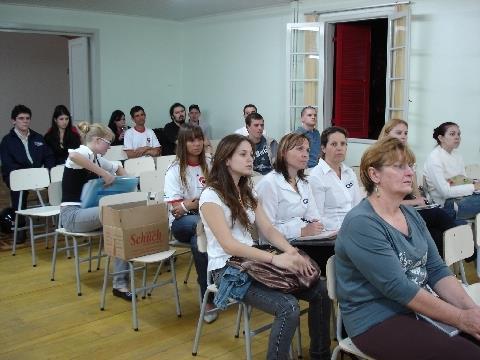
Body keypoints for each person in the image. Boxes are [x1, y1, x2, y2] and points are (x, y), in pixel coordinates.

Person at [336, 137, 480, 359]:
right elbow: (399, 288)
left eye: (410, 166)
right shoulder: (362, 223)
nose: (410, 173)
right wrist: (461, 319)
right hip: (376, 319)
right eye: (399, 166)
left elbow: (436, 269)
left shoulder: (410, 214)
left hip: (416, 306)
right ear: (375, 175)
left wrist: (472, 312)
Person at [199, 134, 331, 360]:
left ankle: (321, 354)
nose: (250, 159)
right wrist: (274, 259)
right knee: (288, 307)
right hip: (228, 269)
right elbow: (229, 245)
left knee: (320, 290)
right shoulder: (211, 196)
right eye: (243, 154)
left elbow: (268, 230)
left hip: (253, 261)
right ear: (226, 159)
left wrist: (291, 252)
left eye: (251, 154)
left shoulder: (246, 192)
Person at [60, 122, 133, 301]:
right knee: (116, 216)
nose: (109, 147)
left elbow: (116, 167)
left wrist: (130, 185)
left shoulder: (96, 157)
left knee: (119, 223)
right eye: (108, 143)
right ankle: (120, 282)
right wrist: (104, 173)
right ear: (96, 140)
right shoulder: (84, 152)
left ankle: (120, 283)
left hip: (87, 213)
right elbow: (74, 156)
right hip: (72, 215)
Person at [255, 132, 333, 276]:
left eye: (307, 150)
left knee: (341, 253)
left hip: (305, 242)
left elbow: (314, 217)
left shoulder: (303, 183)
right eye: (299, 149)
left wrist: (322, 228)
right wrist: (302, 230)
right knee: (335, 263)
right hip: (278, 248)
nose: (305, 154)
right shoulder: (269, 184)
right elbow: (266, 231)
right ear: (283, 153)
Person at [379, 119, 458, 256]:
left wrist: (420, 200)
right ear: (386, 134)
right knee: (439, 215)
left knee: (436, 234)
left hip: (410, 207)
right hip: (395, 211)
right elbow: (383, 203)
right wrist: (414, 202)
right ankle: (469, 253)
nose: (403, 136)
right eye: (398, 132)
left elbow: (414, 191)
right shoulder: (380, 160)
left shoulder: (408, 155)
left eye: (406, 133)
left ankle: (439, 273)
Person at [163, 124, 216, 323]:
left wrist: (192, 202)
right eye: (191, 140)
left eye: (199, 139)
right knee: (199, 228)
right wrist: (193, 204)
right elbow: (176, 210)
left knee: (199, 238)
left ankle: (209, 292)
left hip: (208, 218)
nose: (197, 144)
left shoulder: (211, 163)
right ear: (183, 144)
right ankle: (209, 297)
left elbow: (220, 193)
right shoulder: (174, 170)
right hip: (182, 222)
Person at [0, 104, 55, 243]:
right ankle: (20, 227)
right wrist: (26, 174)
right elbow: (8, 163)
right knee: (19, 191)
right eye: (21, 118)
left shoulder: (38, 137)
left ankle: (58, 222)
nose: (25, 121)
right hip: (17, 176)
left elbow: (49, 157)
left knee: (56, 183)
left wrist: (47, 170)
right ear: (13, 121)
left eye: (27, 118)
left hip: (37, 175)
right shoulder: (7, 141)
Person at [423, 121, 480, 221]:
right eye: (452, 134)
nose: (457, 137)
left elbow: (463, 180)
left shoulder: (457, 155)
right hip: (445, 204)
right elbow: (445, 192)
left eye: (458, 134)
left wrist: (474, 184)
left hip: (462, 198)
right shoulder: (434, 158)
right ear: (441, 138)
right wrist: (473, 186)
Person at [309, 126, 362, 231]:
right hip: (332, 233)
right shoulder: (316, 176)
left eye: (343, 144)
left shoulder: (349, 172)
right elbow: (316, 216)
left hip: (355, 228)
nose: (339, 148)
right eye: (334, 144)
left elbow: (358, 205)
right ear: (323, 148)